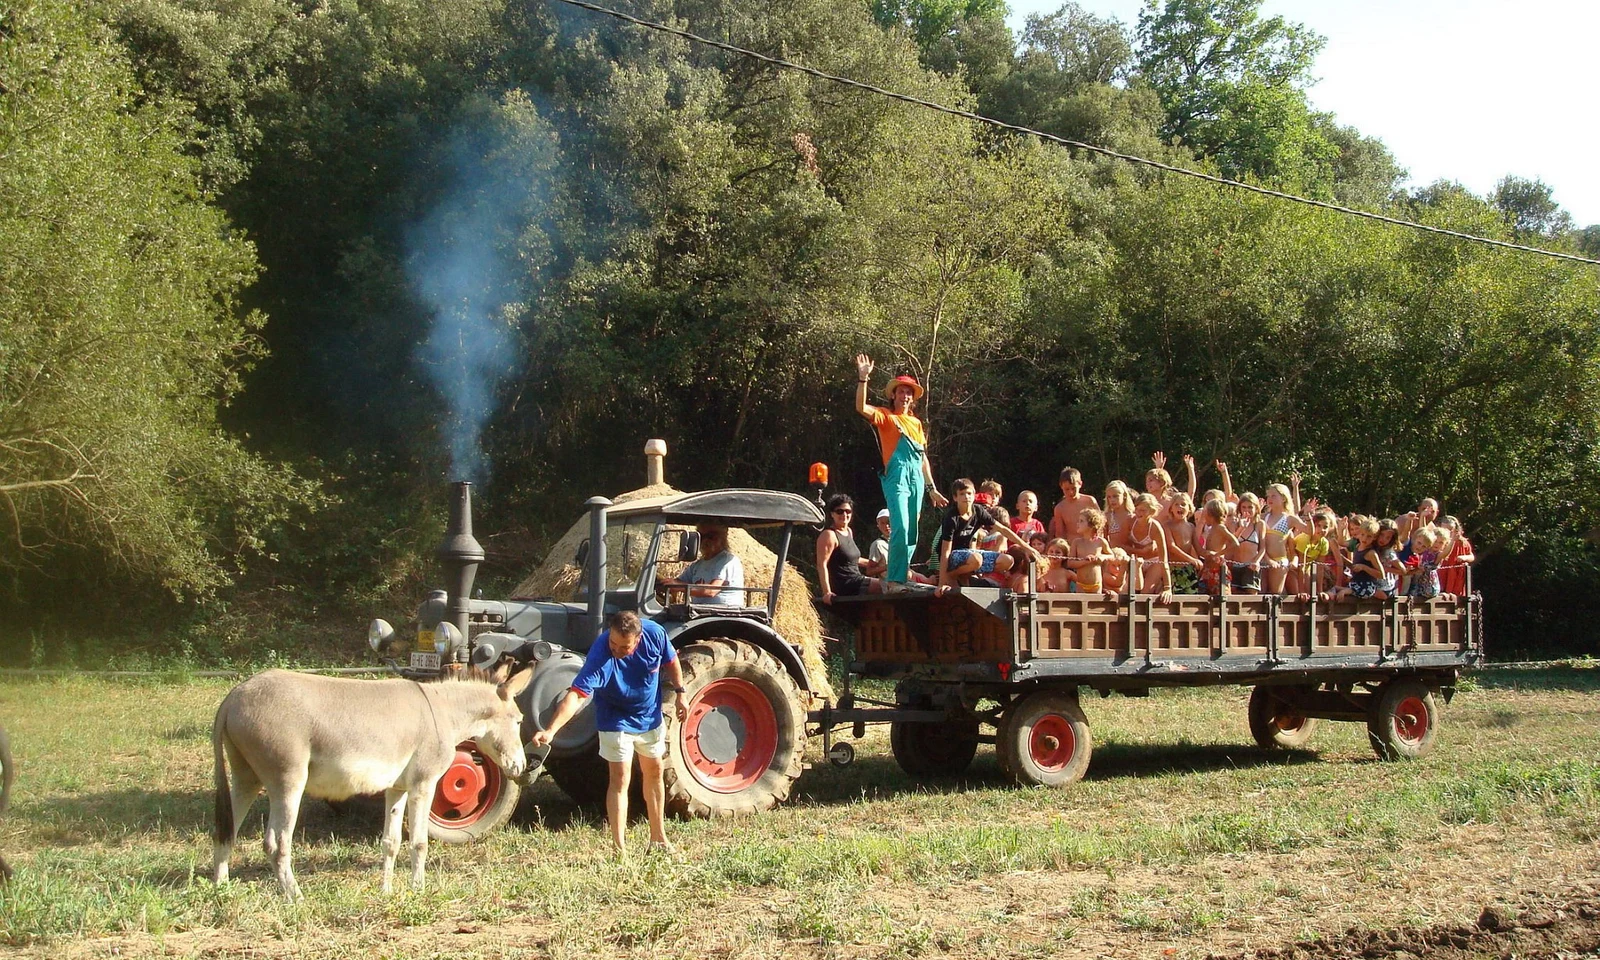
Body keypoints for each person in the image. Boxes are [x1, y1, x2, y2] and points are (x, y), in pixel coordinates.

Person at [533, 611, 687, 857]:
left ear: (638, 639)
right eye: (613, 643)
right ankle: (620, 849)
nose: (616, 649)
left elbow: (671, 660)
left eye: (623, 646)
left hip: (649, 716)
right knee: (620, 778)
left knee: (655, 771)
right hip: (615, 718)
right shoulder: (601, 653)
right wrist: (551, 730)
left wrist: (681, 692)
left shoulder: (655, 634)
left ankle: (658, 839)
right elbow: (576, 695)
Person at [854, 355, 948, 587]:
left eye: (909, 393)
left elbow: (922, 457)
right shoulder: (886, 417)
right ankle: (894, 580)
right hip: (896, 477)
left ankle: (901, 575)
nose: (905, 396)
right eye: (901, 392)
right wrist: (863, 379)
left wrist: (931, 489)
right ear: (893, 395)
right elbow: (860, 407)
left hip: (916, 478)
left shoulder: (916, 423)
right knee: (901, 527)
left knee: (911, 533)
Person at [936, 479, 1042, 593]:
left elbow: (1003, 530)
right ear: (955, 497)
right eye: (962, 494)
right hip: (952, 556)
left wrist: (1027, 548)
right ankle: (952, 575)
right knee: (977, 559)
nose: (966, 497)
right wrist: (942, 583)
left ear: (974, 495)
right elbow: (945, 551)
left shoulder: (978, 511)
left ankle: (965, 575)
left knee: (1008, 560)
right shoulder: (952, 518)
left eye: (969, 493)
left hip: (969, 555)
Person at [816, 494, 879, 604]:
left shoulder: (848, 531)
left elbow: (851, 559)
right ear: (832, 514)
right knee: (886, 587)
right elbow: (821, 565)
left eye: (848, 511)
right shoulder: (829, 535)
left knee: (896, 583)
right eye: (840, 511)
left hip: (857, 580)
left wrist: (880, 564)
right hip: (846, 584)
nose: (844, 514)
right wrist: (827, 592)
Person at [665, 525, 744, 605]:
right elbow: (679, 582)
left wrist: (679, 586)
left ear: (722, 539)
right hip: (701, 611)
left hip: (723, 613)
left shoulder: (727, 561)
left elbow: (711, 591)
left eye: (711, 536)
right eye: (701, 537)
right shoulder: (697, 565)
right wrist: (666, 583)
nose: (706, 541)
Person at [1224, 492, 1266, 594]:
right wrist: (1241, 528)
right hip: (1236, 565)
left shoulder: (1260, 524)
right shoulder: (1235, 523)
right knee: (1233, 592)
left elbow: (1262, 548)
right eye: (1244, 507)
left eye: (1250, 507)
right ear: (1239, 508)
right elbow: (1232, 543)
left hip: (1250, 566)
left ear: (1256, 508)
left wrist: (1256, 561)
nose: (1247, 510)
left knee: (1250, 593)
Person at [1050, 468, 1099, 540]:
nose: (1071, 492)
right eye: (1067, 489)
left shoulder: (1090, 501)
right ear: (1061, 486)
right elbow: (1060, 534)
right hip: (1072, 546)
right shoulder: (1059, 508)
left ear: (1080, 484)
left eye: (1073, 488)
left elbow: (1100, 523)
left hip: (1091, 544)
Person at [1437, 516, 1475, 597]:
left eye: (1450, 530)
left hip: (1455, 574)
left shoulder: (1462, 542)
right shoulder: (1438, 541)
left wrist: (1465, 557)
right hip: (1442, 572)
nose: (1448, 532)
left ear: (1456, 530)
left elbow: (1472, 556)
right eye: (1445, 529)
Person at [860, 508, 891, 578]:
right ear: (878, 526)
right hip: (890, 585)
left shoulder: (901, 542)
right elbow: (869, 571)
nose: (886, 526)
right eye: (882, 523)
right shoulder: (878, 544)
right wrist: (887, 567)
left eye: (888, 522)